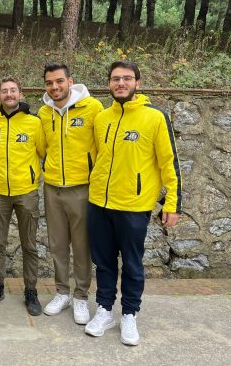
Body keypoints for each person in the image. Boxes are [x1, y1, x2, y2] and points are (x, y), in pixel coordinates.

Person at [85, 61, 181, 345]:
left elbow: (169, 163)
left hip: (134, 206)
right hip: (99, 203)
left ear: (138, 82)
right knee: (103, 262)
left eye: (127, 78)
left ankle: (129, 313)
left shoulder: (155, 117)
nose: (121, 83)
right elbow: (97, 157)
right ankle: (104, 310)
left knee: (132, 263)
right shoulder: (102, 118)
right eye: (115, 79)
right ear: (109, 84)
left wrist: (172, 203)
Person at [38, 63, 103, 324]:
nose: (54, 87)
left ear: (70, 81)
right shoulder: (43, 112)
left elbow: (102, 146)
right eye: (49, 83)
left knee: (81, 245)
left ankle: (80, 296)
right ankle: (62, 292)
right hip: (52, 187)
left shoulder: (93, 108)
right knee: (57, 244)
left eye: (59, 81)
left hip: (82, 188)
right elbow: (43, 147)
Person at [0, 77, 46, 316]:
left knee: (29, 244)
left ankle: (31, 291)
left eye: (13, 90)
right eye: (4, 91)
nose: (8, 94)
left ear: (21, 93)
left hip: (26, 192)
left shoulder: (34, 123)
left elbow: (43, 152)